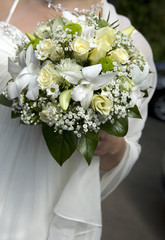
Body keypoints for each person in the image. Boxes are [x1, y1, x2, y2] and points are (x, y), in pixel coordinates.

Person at [0, 0, 157, 239]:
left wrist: (113, 146)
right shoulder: (7, 4)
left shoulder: (133, 47)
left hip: (40, 205)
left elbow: (127, 149)